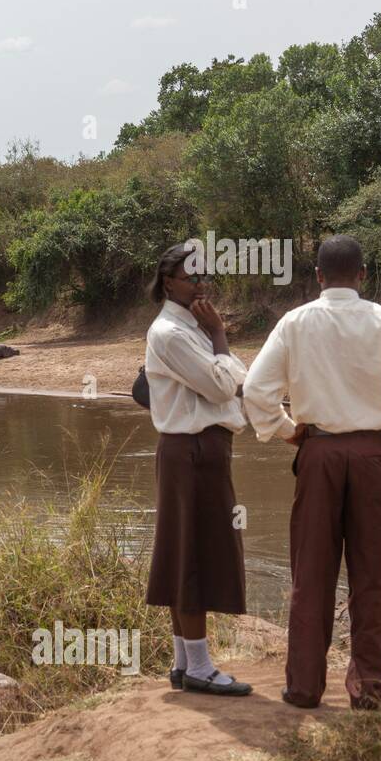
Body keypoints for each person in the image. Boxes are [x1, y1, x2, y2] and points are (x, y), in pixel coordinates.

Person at [243, 235, 381, 710]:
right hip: (373, 457)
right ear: (363, 275)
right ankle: (369, 690)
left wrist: (289, 433)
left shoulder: (295, 322)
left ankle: (304, 688)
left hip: (319, 454)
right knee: (372, 576)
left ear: (317, 276)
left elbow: (255, 391)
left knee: (311, 574)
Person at [144, 242, 253, 696]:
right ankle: (201, 669)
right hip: (192, 451)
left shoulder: (188, 328)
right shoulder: (172, 332)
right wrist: (222, 337)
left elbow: (237, 381)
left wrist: (218, 347)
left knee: (183, 551)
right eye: (194, 278)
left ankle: (184, 663)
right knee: (192, 555)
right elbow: (220, 384)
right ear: (169, 282)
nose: (203, 284)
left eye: (206, 277)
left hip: (194, 451)